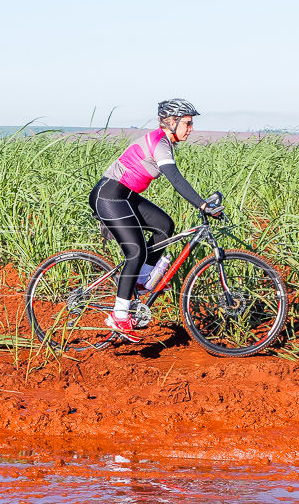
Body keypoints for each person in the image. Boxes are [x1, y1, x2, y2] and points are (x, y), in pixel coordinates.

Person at [89, 98, 222, 341]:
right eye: (187, 123)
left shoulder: (166, 142)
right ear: (171, 123)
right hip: (109, 195)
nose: (191, 129)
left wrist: (203, 203)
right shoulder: (160, 143)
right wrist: (203, 205)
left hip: (125, 195)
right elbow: (176, 179)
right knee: (136, 251)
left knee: (164, 225)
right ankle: (119, 315)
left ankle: (140, 282)